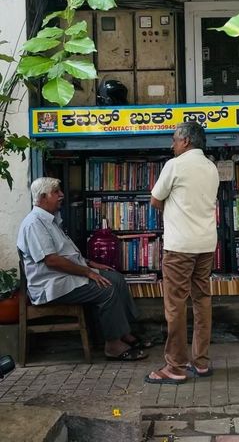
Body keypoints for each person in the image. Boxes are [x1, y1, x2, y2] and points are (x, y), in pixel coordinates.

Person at [17, 177, 148, 361]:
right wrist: (87, 272)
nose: (62, 195)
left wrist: (90, 264)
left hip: (65, 276)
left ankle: (124, 332)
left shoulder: (50, 220)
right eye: (56, 192)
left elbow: (65, 254)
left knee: (115, 277)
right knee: (107, 289)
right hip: (52, 285)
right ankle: (113, 345)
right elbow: (52, 260)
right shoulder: (34, 224)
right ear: (42, 197)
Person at [145, 121, 220, 384]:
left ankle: (175, 367)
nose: (172, 144)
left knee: (175, 305)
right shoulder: (211, 167)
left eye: (175, 140)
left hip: (179, 247)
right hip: (206, 244)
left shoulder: (174, 166)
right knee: (202, 300)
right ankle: (200, 362)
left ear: (186, 141)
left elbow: (155, 200)